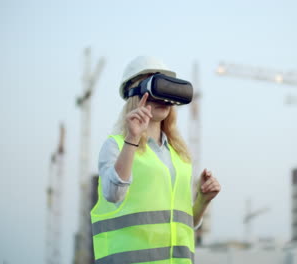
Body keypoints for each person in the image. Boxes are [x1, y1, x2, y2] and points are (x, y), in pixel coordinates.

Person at [91, 56, 221, 264]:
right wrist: (132, 138)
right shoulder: (116, 145)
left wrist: (203, 201)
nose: (163, 98)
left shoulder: (180, 155)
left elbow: (185, 223)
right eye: (156, 89)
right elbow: (113, 194)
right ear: (136, 94)